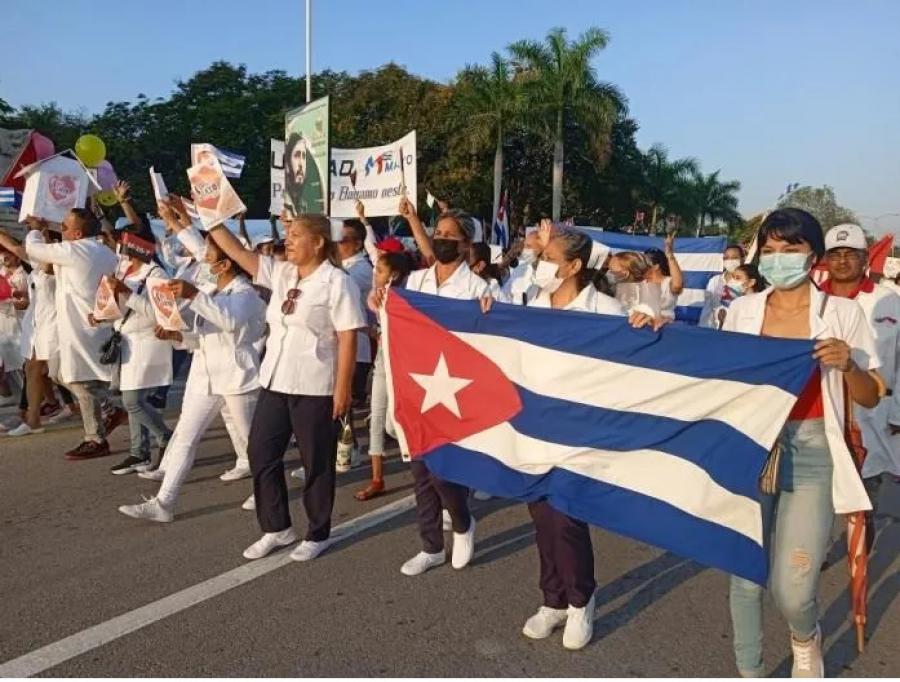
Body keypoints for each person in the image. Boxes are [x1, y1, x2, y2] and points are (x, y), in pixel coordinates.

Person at [481, 227, 661, 650]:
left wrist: (649, 322)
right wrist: (486, 313)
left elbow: (642, 354)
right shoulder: (533, 304)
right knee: (542, 517)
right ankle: (553, 600)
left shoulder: (606, 310)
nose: (539, 264)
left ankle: (581, 600)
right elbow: (502, 340)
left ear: (574, 265)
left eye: (548, 257)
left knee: (565, 518)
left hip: (581, 431)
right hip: (536, 427)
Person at [723, 208, 881, 678]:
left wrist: (848, 364)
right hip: (751, 446)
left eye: (790, 249)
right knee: (745, 571)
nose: (779, 258)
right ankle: (749, 668)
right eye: (770, 250)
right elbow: (714, 375)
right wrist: (651, 330)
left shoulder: (842, 314)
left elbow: (871, 396)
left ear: (813, 255)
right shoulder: (743, 311)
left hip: (813, 452)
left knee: (794, 587)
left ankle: (805, 637)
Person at [207, 211, 364, 562]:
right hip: (275, 380)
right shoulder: (282, 273)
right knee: (261, 453)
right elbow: (237, 252)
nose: (287, 241)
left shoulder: (338, 282)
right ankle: (276, 527)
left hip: (316, 386)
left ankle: (318, 532)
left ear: (318, 242)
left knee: (316, 463)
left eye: (295, 236)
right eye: (288, 235)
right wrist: (213, 219)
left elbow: (348, 337)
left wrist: (343, 388)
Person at [118, 233, 267, 522]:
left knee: (253, 441)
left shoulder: (246, 294)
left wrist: (193, 295)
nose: (204, 259)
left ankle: (266, 491)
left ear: (226, 264)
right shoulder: (212, 291)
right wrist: (177, 335)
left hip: (237, 375)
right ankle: (164, 502)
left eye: (209, 254)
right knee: (185, 437)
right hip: (205, 374)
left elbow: (228, 321)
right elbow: (201, 337)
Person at [385, 197, 487, 577]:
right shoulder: (416, 281)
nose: (441, 239)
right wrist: (380, 301)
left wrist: (490, 314)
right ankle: (430, 546)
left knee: (444, 472)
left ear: (465, 244)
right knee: (420, 472)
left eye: (449, 235)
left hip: (456, 388)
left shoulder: (479, 288)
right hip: (418, 384)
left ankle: (461, 521)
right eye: (437, 233)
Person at [19, 211, 120, 459]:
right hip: (89, 325)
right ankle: (111, 408)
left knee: (79, 380)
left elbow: (33, 249)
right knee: (58, 373)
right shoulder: (106, 252)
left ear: (77, 233)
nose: (61, 229)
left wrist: (35, 229)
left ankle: (95, 438)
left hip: (80, 328)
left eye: (64, 227)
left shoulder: (74, 250)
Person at [820, 224, 900, 518]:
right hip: (824, 413)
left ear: (865, 258)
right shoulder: (812, 301)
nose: (842, 261)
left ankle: (860, 546)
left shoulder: (889, 300)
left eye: (850, 254)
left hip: (875, 413)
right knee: (819, 499)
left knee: (865, 502)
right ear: (825, 260)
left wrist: (898, 414)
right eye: (835, 254)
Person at [101, 222, 174, 474]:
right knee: (134, 398)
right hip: (126, 340)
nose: (121, 246)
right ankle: (138, 452)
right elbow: (118, 304)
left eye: (127, 241)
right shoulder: (122, 268)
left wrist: (128, 294)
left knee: (131, 400)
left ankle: (166, 437)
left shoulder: (157, 274)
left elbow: (161, 314)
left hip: (148, 342)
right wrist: (101, 315)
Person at [355, 250, 413, 501]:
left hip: (405, 363)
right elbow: (374, 303)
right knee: (376, 417)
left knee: (392, 423)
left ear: (395, 275)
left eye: (380, 270)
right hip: (383, 361)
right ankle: (377, 478)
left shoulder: (411, 296)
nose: (374, 274)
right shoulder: (377, 295)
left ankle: (422, 461)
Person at [0, 246, 27, 406]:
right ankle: (14, 397)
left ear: (17, 257)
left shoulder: (22, 276)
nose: (4, 258)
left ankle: (30, 400)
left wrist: (7, 300)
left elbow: (25, 304)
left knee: (22, 365)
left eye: (8, 255)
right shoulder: (4, 273)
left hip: (18, 325)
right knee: (9, 365)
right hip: (5, 327)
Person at [699, 244, 744, 327]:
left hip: (735, 329)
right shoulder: (715, 280)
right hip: (713, 328)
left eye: (734, 257)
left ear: (743, 259)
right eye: (726, 258)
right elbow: (707, 308)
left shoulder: (746, 283)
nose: (730, 261)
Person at [709, 264, 767, 329]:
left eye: (737, 278)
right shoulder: (732, 302)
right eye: (732, 277)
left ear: (751, 282)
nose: (732, 281)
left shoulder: (760, 303)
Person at [643, 232, 684, 321]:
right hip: (640, 323)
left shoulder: (668, 283)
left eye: (645, 261)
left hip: (664, 325)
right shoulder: (641, 281)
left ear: (656, 266)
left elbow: (677, 286)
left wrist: (670, 256)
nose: (642, 264)